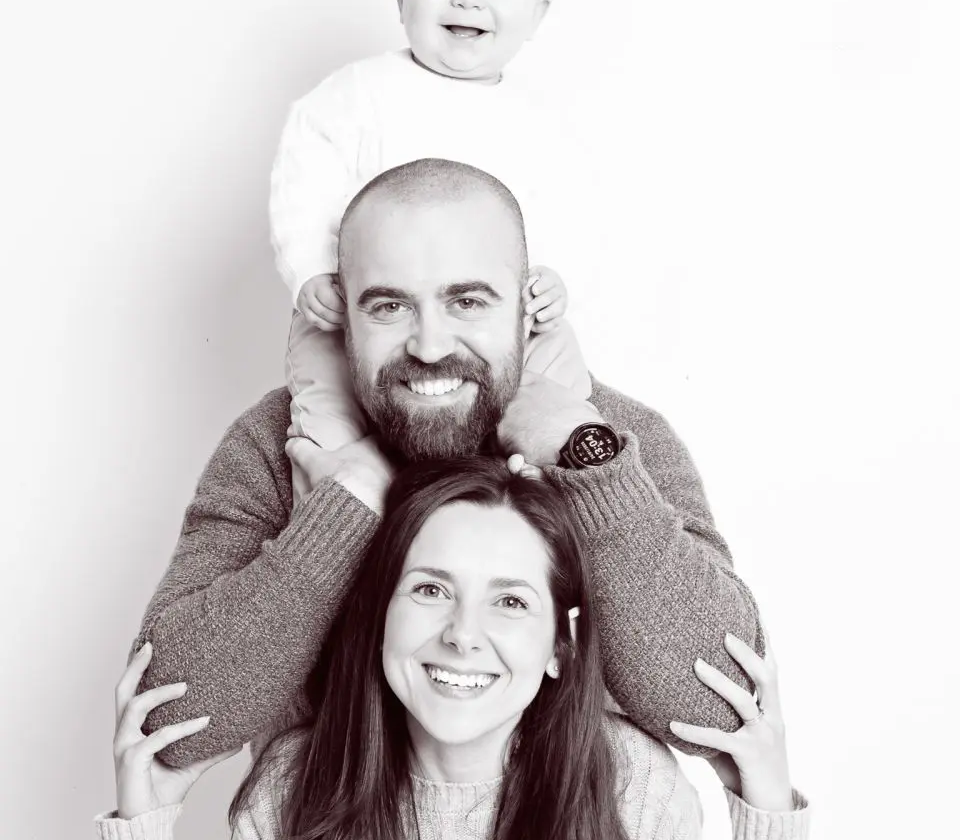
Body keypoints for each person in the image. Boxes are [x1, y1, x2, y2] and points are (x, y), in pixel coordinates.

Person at [102, 458, 809, 840]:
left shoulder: (630, 781)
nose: (463, 635)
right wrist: (146, 833)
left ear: (560, 646)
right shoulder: (296, 782)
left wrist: (767, 808)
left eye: (510, 601)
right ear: (381, 613)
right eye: (431, 590)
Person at [134, 157, 764, 766]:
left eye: (467, 301)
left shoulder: (614, 441)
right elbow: (170, 725)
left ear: (527, 309)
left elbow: (719, 711)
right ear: (342, 320)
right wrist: (343, 510)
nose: (430, 346)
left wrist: (587, 462)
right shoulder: (278, 444)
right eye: (388, 306)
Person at [271, 0, 592, 472]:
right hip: (354, 318)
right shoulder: (354, 96)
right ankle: (338, 508)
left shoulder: (540, 125)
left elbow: (564, 209)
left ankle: (548, 509)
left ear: (538, 10)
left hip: (501, 329)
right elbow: (303, 185)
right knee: (326, 419)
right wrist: (309, 270)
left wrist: (555, 278)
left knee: (563, 398)